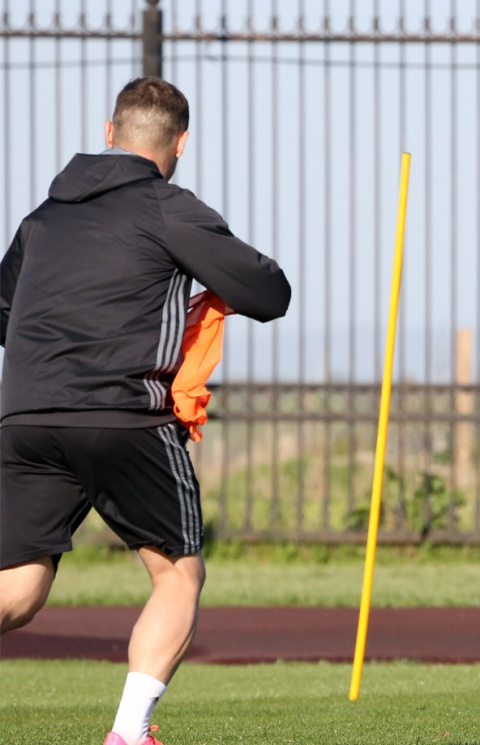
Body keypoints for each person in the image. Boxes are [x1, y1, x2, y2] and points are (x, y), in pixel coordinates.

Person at [0, 77, 291, 745]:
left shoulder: (43, 218)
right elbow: (269, 292)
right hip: (123, 416)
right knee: (177, 573)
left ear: (109, 133)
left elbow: (3, 312)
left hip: (27, 415)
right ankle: (129, 733)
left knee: (15, 589)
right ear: (180, 144)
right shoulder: (167, 208)